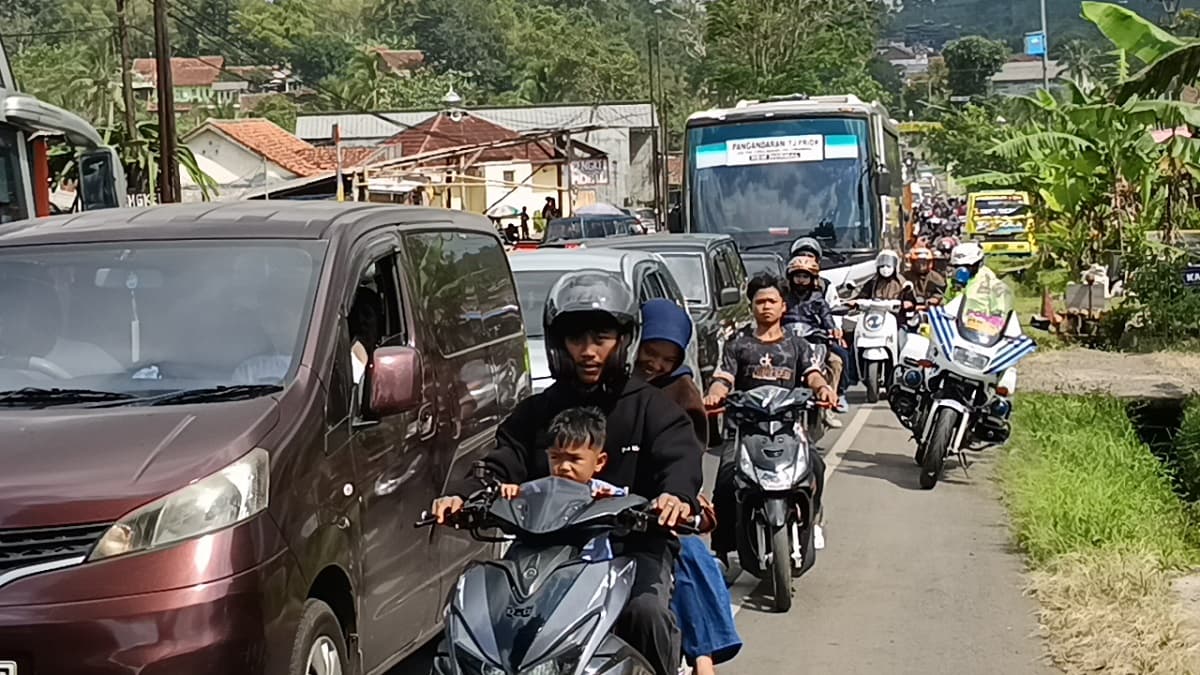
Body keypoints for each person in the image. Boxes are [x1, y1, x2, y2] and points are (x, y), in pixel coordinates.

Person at [430, 270, 703, 675]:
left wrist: (674, 497)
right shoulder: (538, 410)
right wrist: (463, 494)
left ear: (624, 342)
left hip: (631, 549)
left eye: (601, 339)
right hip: (539, 551)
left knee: (645, 613)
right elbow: (504, 459)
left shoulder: (653, 408)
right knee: (476, 622)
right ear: (560, 344)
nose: (588, 351)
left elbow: (679, 460)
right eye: (577, 339)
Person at [501, 406, 741, 675]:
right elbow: (515, 498)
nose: (563, 466)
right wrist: (508, 492)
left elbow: (657, 507)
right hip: (550, 583)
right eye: (555, 457)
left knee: (648, 610)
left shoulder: (610, 495)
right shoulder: (537, 490)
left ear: (599, 462)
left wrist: (662, 508)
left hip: (598, 585)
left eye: (574, 459)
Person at [704, 273, 837, 558]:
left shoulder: (797, 345)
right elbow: (723, 378)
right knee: (726, 481)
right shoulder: (737, 344)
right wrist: (715, 392)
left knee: (817, 466)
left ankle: (811, 518)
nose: (766, 306)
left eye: (772, 301)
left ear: (783, 306)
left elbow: (812, 374)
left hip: (789, 428)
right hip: (745, 429)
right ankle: (722, 553)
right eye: (759, 301)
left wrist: (823, 388)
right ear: (751, 306)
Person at [782, 256, 847, 428]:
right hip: (787, 343)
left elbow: (827, 317)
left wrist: (833, 329)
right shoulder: (783, 298)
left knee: (836, 362)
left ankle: (828, 406)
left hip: (814, 342)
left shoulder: (818, 299)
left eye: (805, 276)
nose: (801, 280)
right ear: (791, 277)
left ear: (813, 278)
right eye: (798, 276)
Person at [636, 299, 707, 445]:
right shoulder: (613, 380)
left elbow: (690, 451)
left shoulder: (684, 394)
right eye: (650, 352)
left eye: (668, 360)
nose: (656, 365)